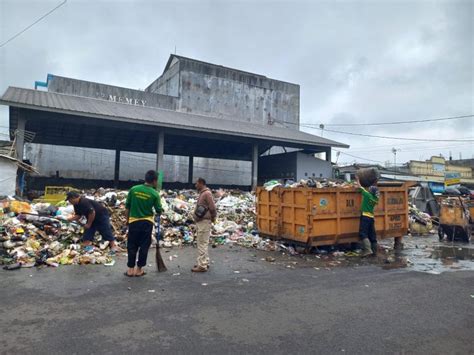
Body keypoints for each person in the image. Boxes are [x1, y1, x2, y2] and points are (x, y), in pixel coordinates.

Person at [124, 170, 163, 277]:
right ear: (154, 181)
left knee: (132, 245)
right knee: (144, 246)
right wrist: (160, 211)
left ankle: (130, 270)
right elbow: (158, 209)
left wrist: (127, 221)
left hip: (133, 222)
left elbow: (127, 207)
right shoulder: (155, 194)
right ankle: (139, 270)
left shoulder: (134, 189)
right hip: (147, 223)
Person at [192, 178, 216, 273]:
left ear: (201, 183)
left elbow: (213, 208)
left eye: (196, 183)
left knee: (202, 243)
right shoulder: (203, 193)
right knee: (203, 242)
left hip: (204, 222)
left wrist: (213, 217)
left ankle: (202, 265)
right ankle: (204, 262)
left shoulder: (207, 193)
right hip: (202, 221)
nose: (195, 185)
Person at [356, 178, 380, 257]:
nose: (368, 190)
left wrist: (357, 179)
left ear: (371, 192)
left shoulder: (367, 195)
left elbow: (360, 187)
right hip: (371, 217)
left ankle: (368, 250)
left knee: (363, 233)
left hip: (365, 216)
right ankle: (374, 251)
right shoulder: (375, 199)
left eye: (370, 189)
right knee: (372, 234)